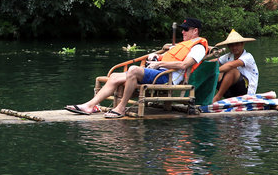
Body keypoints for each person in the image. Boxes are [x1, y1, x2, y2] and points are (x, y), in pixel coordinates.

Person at [65, 17, 209, 118]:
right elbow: (168, 57)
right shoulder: (180, 45)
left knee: (133, 70)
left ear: (195, 31)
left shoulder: (198, 48)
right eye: (182, 29)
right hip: (157, 72)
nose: (182, 32)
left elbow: (184, 65)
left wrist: (159, 63)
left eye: (186, 29)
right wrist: (156, 57)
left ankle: (121, 108)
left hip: (166, 78)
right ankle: (90, 105)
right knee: (115, 76)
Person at [211, 29, 259, 102]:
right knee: (213, 70)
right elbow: (214, 62)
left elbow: (230, 65)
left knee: (232, 70)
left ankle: (218, 96)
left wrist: (213, 71)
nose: (234, 47)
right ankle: (205, 96)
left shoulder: (248, 56)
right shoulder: (229, 56)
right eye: (231, 45)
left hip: (246, 92)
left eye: (237, 44)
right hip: (231, 91)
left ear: (242, 44)